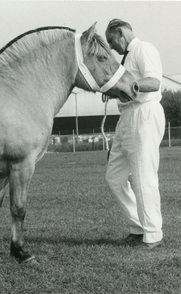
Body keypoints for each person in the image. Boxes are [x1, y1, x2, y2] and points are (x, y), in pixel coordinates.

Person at [104, 19, 165, 250]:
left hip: (144, 114)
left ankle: (152, 234)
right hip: (127, 116)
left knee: (143, 176)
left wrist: (125, 87)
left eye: (111, 41)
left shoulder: (143, 49)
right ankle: (138, 226)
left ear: (121, 33)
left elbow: (154, 82)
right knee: (114, 177)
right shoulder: (126, 58)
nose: (111, 47)